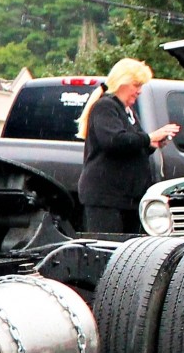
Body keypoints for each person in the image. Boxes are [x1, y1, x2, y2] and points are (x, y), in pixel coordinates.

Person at [76, 58, 178, 234]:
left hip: (127, 198)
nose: (139, 91)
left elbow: (133, 142)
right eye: (136, 85)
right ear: (121, 82)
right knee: (108, 250)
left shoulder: (127, 111)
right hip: (106, 197)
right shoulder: (105, 106)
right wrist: (149, 137)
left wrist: (153, 144)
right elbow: (114, 141)